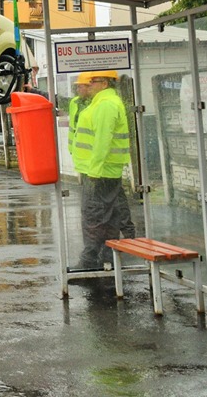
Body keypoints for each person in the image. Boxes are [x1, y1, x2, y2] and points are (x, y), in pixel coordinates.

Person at [73, 70, 135, 269]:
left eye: (93, 81)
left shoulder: (106, 105)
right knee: (107, 215)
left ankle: (90, 261)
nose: (88, 85)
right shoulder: (101, 103)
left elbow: (102, 140)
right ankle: (106, 257)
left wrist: (94, 170)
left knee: (94, 216)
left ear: (105, 83)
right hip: (103, 170)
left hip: (99, 172)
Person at [67, 73, 94, 158]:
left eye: (80, 87)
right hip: (77, 151)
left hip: (92, 154)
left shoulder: (97, 103)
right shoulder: (74, 102)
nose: (77, 90)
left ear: (89, 87)